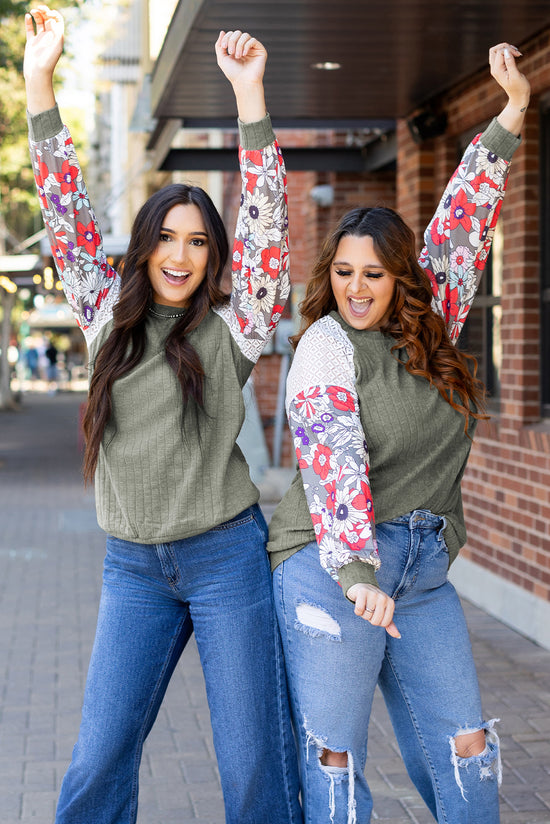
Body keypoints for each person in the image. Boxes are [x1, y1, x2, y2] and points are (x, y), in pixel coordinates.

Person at [24, 6, 301, 823]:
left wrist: (250, 95)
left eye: (198, 243)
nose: (181, 256)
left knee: (253, 763)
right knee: (99, 758)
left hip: (226, 560)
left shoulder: (236, 329)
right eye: (166, 239)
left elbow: (267, 228)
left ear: (215, 258)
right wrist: (40, 78)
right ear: (144, 246)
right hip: (134, 569)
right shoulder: (105, 315)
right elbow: (66, 210)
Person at [267, 43, 530, 824]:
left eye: (374, 274)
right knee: (337, 755)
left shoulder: (433, 327)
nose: (355, 288)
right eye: (344, 272)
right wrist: (354, 574)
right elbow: (333, 459)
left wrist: (513, 111)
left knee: (467, 745)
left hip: (418, 572)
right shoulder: (324, 346)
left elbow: (465, 217)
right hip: (329, 566)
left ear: (401, 279)